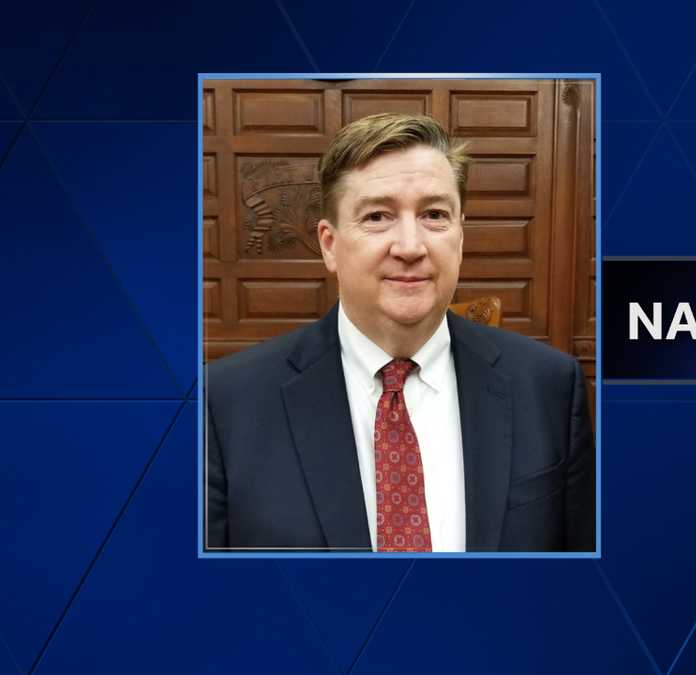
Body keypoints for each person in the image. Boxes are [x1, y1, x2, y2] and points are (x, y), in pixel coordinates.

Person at [205, 113, 595, 553]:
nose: (410, 246)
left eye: (434, 214)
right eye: (377, 216)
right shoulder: (226, 404)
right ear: (330, 244)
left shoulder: (548, 387)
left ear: (460, 237)